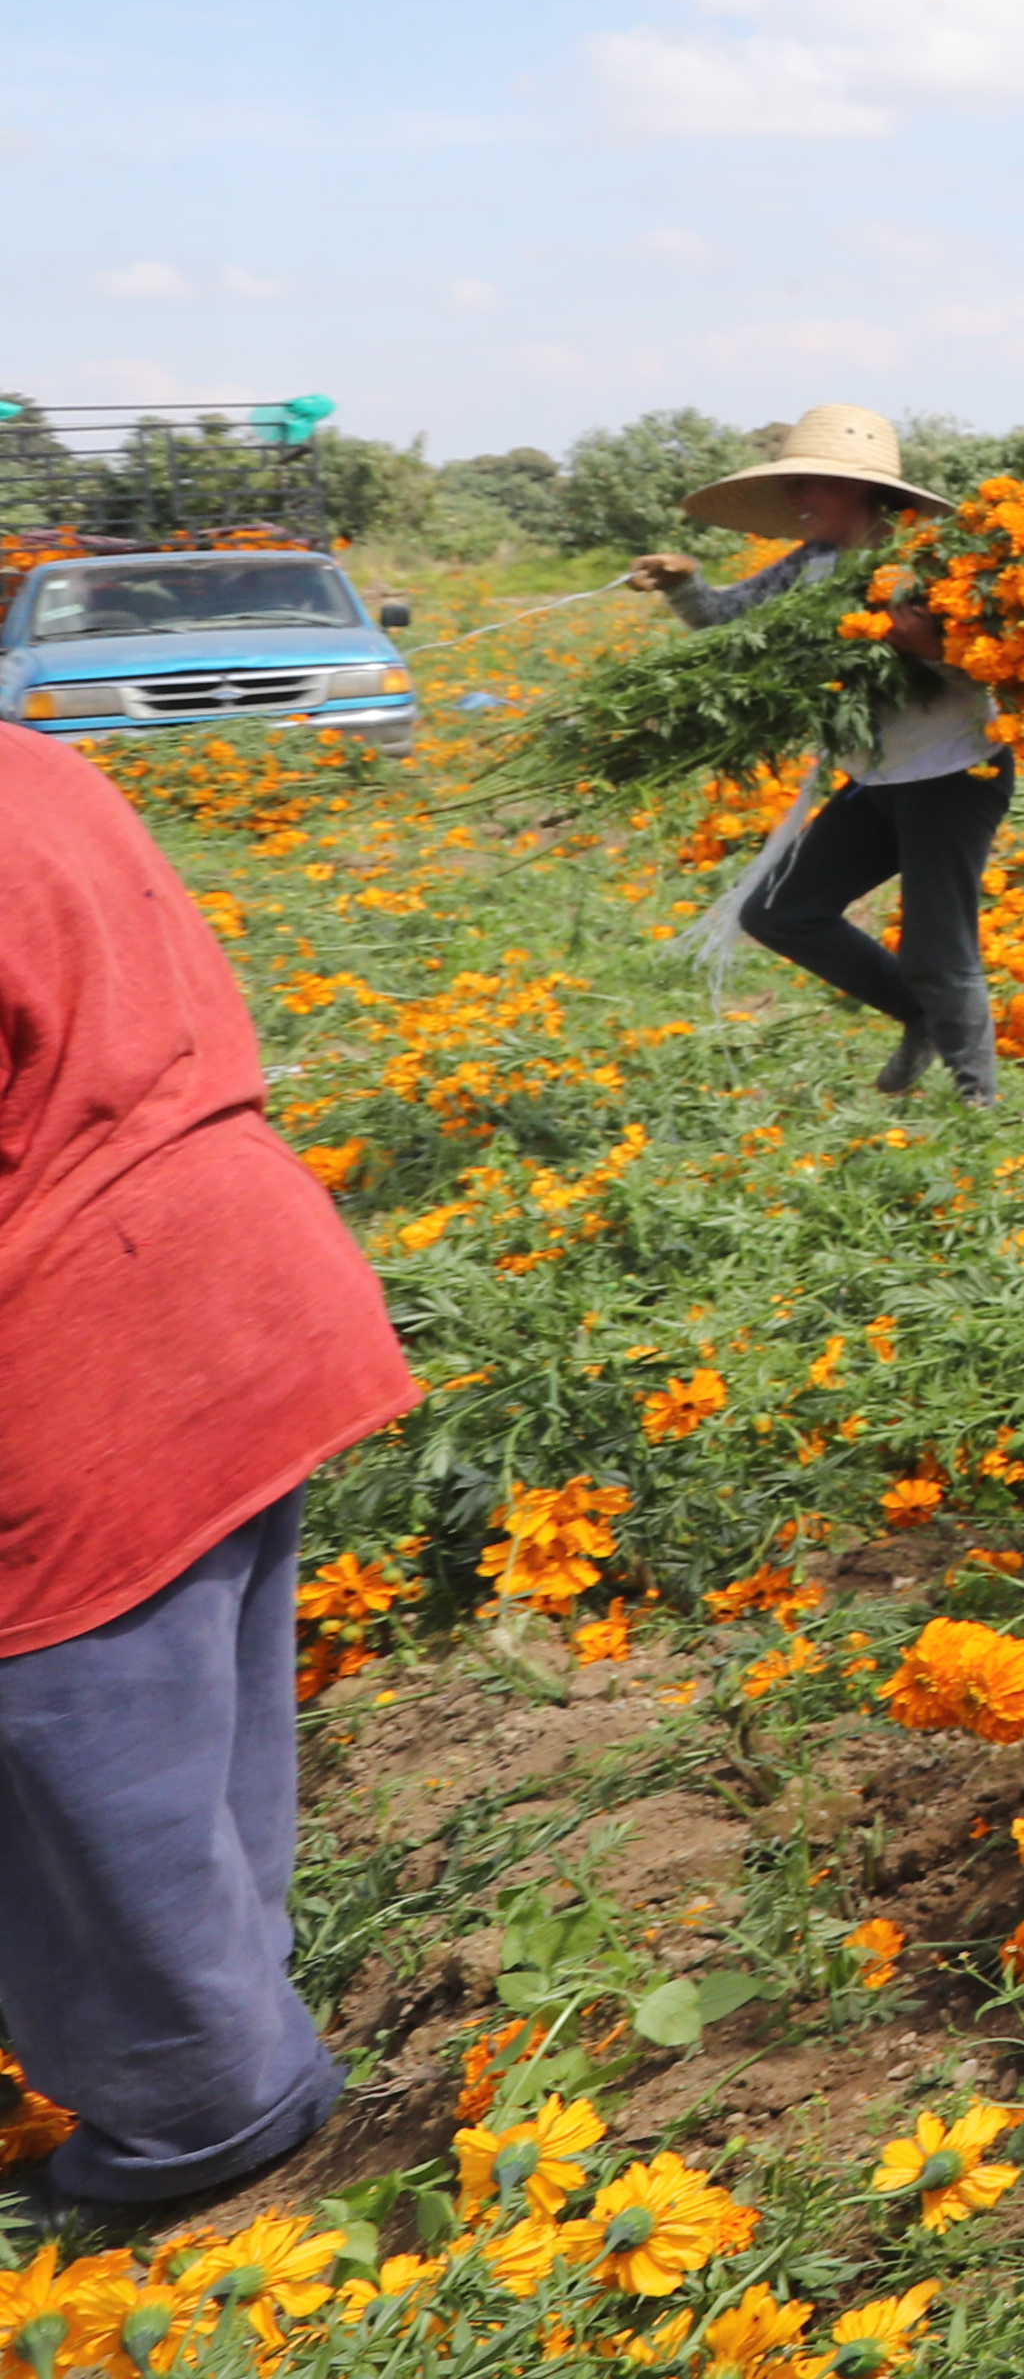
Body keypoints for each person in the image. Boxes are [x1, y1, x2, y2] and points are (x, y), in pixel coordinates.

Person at [0, 722, 418, 2223]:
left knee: (78, 1781)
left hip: (67, 1354)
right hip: (227, 1275)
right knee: (190, 1732)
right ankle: (229, 2027)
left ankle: (204, 2122)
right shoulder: (29, 765)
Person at [619, 406, 1013, 1106]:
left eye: (810, 486)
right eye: (793, 487)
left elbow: (1002, 667)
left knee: (938, 948)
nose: (797, 501)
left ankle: (978, 1104)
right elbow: (731, 619)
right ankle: (921, 1018)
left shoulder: (934, 563)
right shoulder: (818, 565)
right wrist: (685, 584)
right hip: (875, 775)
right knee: (779, 910)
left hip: (955, 771)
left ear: (863, 489)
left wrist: (928, 646)